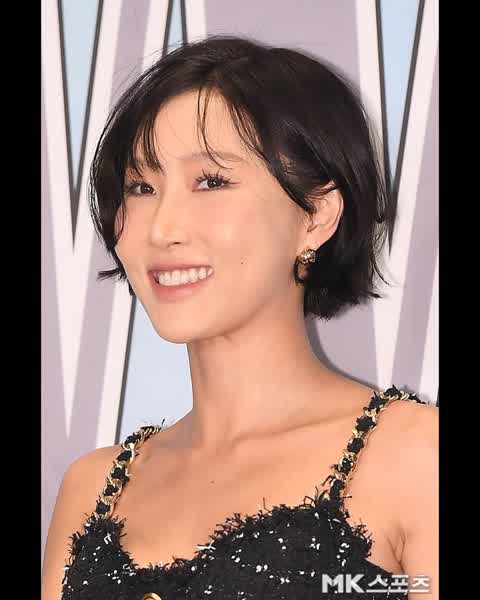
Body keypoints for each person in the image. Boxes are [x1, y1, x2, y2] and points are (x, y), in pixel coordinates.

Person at [42, 35, 438, 599]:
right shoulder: (94, 488)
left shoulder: (415, 457)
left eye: (211, 182)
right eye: (141, 187)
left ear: (316, 216)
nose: (163, 228)